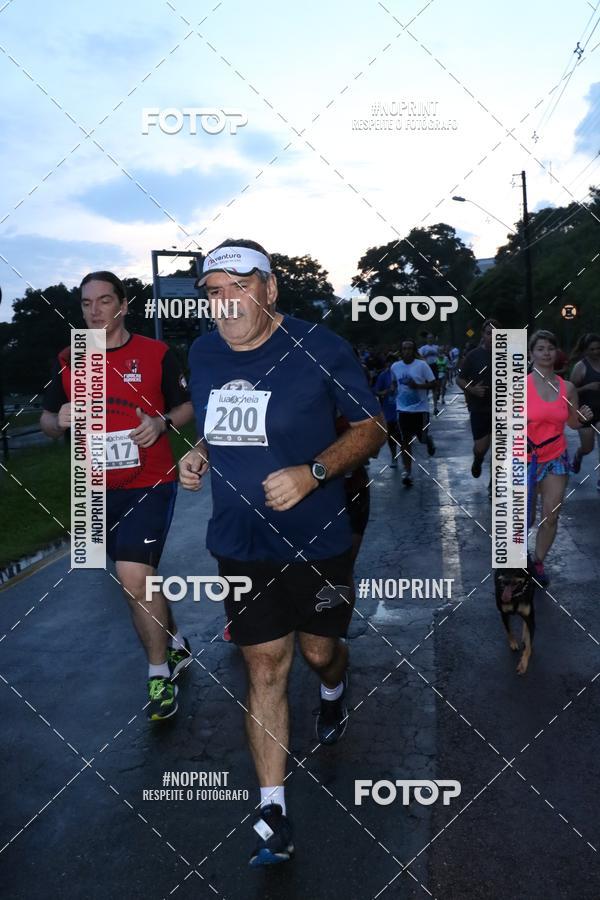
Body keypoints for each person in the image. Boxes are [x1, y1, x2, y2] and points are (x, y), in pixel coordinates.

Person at [180, 239, 385, 867]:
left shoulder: (321, 347)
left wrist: (314, 471)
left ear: (269, 289)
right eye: (213, 291)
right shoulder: (205, 350)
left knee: (318, 651)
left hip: (321, 537)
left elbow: (371, 428)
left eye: (238, 286)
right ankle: (273, 812)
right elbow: (220, 420)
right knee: (265, 666)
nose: (224, 301)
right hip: (241, 542)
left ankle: (334, 684)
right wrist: (201, 453)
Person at [40, 271, 194, 721]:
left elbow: (188, 405)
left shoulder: (157, 352)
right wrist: (60, 420)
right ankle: (176, 642)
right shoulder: (70, 358)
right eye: (87, 304)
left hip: (150, 481)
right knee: (138, 582)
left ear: (123, 305)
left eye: (105, 301)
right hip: (93, 487)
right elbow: (48, 421)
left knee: (133, 578)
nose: (95, 311)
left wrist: (162, 422)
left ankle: (158, 674)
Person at [527, 330, 593, 585]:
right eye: (540, 348)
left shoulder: (568, 387)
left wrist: (583, 418)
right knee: (525, 518)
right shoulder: (518, 387)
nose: (546, 353)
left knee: (551, 514)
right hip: (525, 459)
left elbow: (573, 423)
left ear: (557, 353)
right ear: (532, 354)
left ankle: (539, 562)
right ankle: (518, 559)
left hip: (555, 457)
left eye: (550, 348)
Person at [456, 319, 499, 497]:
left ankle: (494, 485)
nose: (493, 336)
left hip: (503, 410)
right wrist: (472, 389)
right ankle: (478, 460)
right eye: (489, 333)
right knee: (482, 448)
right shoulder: (473, 356)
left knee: (500, 450)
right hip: (480, 409)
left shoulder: (509, 355)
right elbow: (459, 378)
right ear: (483, 335)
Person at [390, 339, 436, 486]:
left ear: (414, 351)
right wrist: (392, 391)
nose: (407, 351)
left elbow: (435, 383)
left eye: (410, 349)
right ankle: (407, 472)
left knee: (421, 438)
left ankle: (428, 440)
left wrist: (418, 386)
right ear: (401, 351)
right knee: (405, 441)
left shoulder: (422, 366)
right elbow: (393, 383)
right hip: (403, 410)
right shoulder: (395, 367)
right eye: (404, 348)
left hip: (420, 409)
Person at [569, 333, 600, 487]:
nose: (595, 352)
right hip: (586, 413)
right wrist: (588, 387)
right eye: (592, 349)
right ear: (586, 350)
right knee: (588, 448)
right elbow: (570, 390)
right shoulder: (580, 367)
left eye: (598, 348)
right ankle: (579, 454)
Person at [374, 353, 401, 466]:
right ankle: (394, 456)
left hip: (402, 409)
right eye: (389, 362)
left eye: (393, 362)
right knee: (390, 435)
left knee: (401, 434)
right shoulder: (383, 376)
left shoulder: (402, 373)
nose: (391, 365)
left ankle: (404, 456)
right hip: (388, 410)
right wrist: (387, 391)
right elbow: (376, 391)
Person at [418, 332, 440, 414]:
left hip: (435, 367)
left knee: (435, 388)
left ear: (433, 339)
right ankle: (425, 407)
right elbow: (420, 358)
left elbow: (441, 356)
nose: (430, 339)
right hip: (426, 367)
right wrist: (427, 354)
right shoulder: (423, 348)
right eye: (429, 338)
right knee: (426, 389)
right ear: (426, 339)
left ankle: (435, 408)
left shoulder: (436, 347)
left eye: (431, 337)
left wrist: (436, 353)